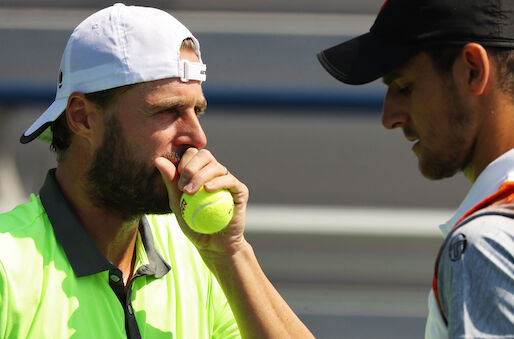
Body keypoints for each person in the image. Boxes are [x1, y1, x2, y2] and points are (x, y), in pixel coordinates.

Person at [0, 4, 314, 338]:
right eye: (167, 111)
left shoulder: (202, 255)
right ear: (82, 117)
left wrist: (232, 253)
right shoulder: (7, 265)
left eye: (197, 110)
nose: (197, 137)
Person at [318, 0, 514, 338]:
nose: (389, 118)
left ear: (472, 69)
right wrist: (239, 253)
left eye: (405, 86)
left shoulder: (493, 244)